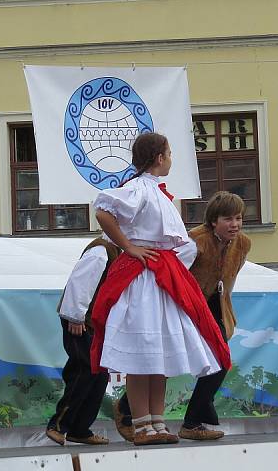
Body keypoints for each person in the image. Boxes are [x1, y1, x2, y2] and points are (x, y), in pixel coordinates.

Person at [89, 132, 232, 446]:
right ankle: (141, 425)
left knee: (159, 355)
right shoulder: (137, 188)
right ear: (158, 158)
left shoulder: (155, 191)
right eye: (169, 153)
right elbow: (103, 211)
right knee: (143, 354)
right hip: (143, 279)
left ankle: (157, 422)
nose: (171, 159)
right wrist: (130, 248)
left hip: (161, 277)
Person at [113, 191, 250, 441]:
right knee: (163, 359)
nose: (235, 225)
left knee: (219, 360)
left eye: (238, 218)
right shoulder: (194, 242)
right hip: (186, 304)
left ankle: (192, 422)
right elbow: (172, 273)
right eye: (228, 219)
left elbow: (229, 278)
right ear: (213, 221)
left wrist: (223, 309)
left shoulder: (243, 243)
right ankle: (129, 410)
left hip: (214, 304)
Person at [45, 237, 120, 446]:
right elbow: (80, 282)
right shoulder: (101, 251)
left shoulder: (116, 250)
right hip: (79, 321)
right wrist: (75, 315)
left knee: (99, 374)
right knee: (84, 369)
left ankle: (80, 428)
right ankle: (59, 424)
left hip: (93, 322)